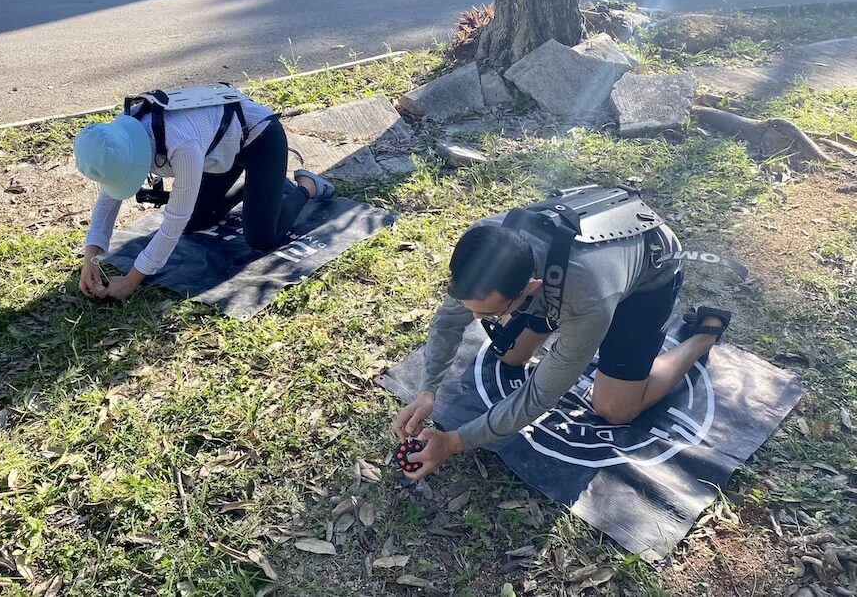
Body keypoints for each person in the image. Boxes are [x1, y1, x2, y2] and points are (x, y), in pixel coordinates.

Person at [391, 189, 732, 480]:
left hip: (649, 273)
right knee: (509, 354)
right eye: (473, 308)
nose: (476, 318)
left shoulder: (587, 299)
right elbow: (448, 321)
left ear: (530, 288)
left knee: (615, 408)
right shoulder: (481, 251)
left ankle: (703, 336)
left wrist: (453, 442)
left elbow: (538, 396)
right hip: (567, 274)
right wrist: (427, 390)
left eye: (489, 311)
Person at [74, 88, 335, 301]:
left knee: (262, 238)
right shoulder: (118, 138)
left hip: (259, 138)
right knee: (196, 221)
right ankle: (260, 187)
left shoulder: (182, 147)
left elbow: (173, 221)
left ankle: (306, 186)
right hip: (218, 151)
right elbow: (108, 200)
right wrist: (91, 259)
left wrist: (131, 281)